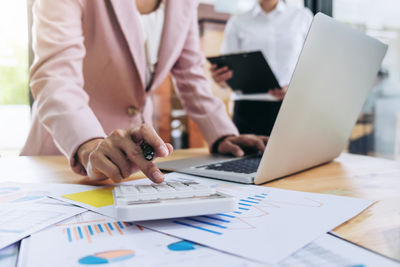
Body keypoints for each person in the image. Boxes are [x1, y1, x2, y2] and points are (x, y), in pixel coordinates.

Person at [21, 0, 268, 184]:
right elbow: (55, 76)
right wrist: (88, 143)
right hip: (64, 157)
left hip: (135, 168)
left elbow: (191, 74)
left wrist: (222, 134)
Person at [211, 0, 313, 135]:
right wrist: (222, 79)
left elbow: (314, 65)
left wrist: (296, 88)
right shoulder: (237, 22)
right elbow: (228, 69)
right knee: (247, 156)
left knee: (294, 155)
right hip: (248, 110)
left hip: (291, 106)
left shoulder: (303, 17)